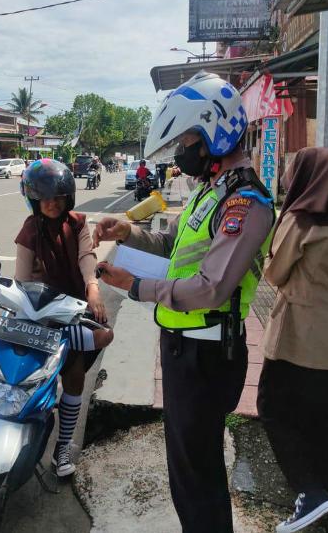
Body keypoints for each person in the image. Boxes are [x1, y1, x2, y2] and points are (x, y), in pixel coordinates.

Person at [93, 71, 274, 532]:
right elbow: (172, 244)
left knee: (198, 474)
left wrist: (136, 286)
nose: (181, 151)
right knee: (187, 468)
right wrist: (127, 231)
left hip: (206, 353)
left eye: (188, 140)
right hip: (184, 347)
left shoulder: (245, 203)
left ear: (215, 133)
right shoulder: (211, 192)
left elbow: (212, 288)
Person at [256, 148, 328, 533]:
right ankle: (320, 495)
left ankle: (309, 491)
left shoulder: (300, 220)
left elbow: (274, 273)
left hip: (295, 336)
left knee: (274, 407)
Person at [15, 159, 114, 478]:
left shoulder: (78, 223)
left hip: (72, 309)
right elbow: (21, 278)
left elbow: (87, 257)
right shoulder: (30, 230)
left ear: (67, 197)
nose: (51, 203)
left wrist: (93, 288)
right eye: (44, 197)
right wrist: (21, 304)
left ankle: (63, 445)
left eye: (57, 196)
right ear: (34, 199)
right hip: (40, 311)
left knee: (75, 375)